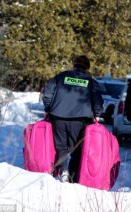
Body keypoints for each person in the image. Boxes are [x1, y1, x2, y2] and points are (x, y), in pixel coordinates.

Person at [42, 55, 103, 183]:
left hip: (58, 117)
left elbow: (47, 91)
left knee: (61, 146)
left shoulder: (61, 76)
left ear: (74, 65)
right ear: (87, 68)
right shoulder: (91, 81)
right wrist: (97, 114)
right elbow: (97, 100)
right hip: (80, 120)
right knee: (76, 150)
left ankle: (63, 170)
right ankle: (73, 177)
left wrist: (48, 108)